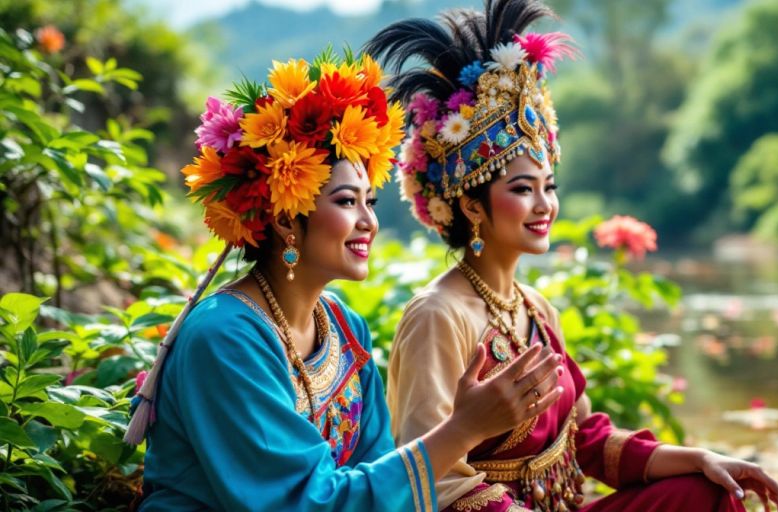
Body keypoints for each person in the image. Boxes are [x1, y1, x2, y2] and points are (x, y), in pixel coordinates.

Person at [365, 1, 778, 510]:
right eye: (523, 189)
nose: (544, 204)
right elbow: (434, 481)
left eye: (549, 186)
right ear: (470, 205)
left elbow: (583, 439)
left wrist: (697, 457)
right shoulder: (437, 317)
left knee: (704, 491)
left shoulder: (536, 309)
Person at [124, 48, 562, 511]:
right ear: (287, 221)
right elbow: (303, 504)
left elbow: (376, 477)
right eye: (348, 202)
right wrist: (463, 430)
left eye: (370, 201)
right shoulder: (224, 338)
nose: (369, 222)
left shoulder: (344, 327)